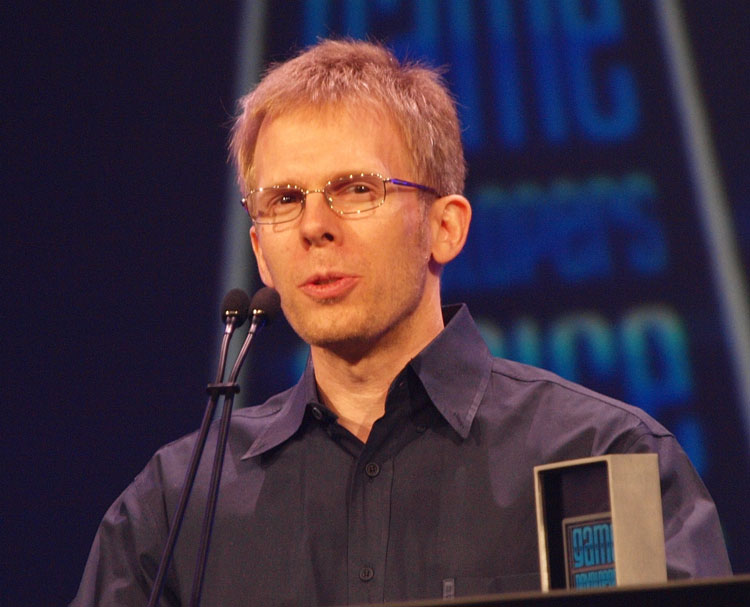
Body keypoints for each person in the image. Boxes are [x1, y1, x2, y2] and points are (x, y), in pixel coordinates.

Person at [71, 39, 731, 606]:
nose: (314, 226)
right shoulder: (176, 505)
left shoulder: (599, 456)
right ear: (261, 253)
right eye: (285, 199)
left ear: (445, 227)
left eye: (357, 189)